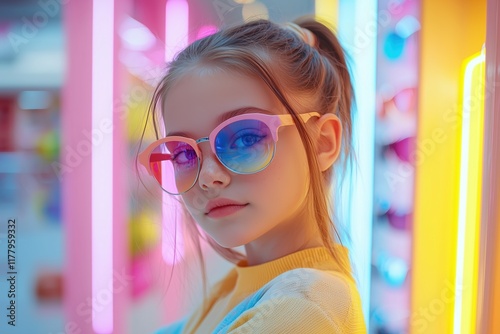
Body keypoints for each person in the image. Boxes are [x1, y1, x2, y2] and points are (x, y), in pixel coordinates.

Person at [138, 15, 366, 334]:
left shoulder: (303, 308)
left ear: (323, 143)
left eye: (245, 137)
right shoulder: (244, 286)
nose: (208, 177)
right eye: (183, 153)